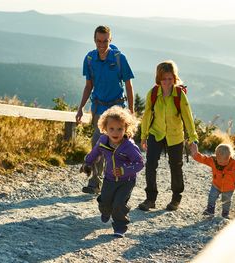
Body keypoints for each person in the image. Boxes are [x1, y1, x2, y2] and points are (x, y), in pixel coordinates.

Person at [76, 25, 135, 194]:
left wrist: (130, 110)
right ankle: (95, 182)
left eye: (105, 41)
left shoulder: (119, 58)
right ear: (94, 40)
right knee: (97, 144)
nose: (101, 44)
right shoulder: (89, 59)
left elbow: (129, 85)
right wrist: (80, 108)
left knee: (117, 146)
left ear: (111, 39)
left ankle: (119, 181)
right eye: (98, 41)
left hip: (117, 109)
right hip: (98, 108)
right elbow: (88, 86)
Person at [138, 60, 198, 212]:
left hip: (175, 135)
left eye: (170, 78)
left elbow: (188, 117)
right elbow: (146, 116)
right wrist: (143, 136)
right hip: (155, 133)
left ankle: (176, 198)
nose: (166, 82)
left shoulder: (179, 95)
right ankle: (150, 199)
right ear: (158, 79)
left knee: (176, 166)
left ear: (174, 78)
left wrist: (193, 139)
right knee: (151, 165)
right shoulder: (152, 94)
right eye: (163, 79)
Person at [80, 106, 144, 237]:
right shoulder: (103, 141)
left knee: (119, 204)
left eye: (120, 129)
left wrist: (124, 170)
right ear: (105, 128)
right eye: (111, 129)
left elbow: (140, 163)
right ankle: (105, 209)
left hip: (126, 181)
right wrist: (88, 163)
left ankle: (120, 227)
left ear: (126, 129)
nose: (115, 132)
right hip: (109, 179)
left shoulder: (129, 146)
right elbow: (95, 152)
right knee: (105, 201)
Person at [191, 143, 235, 219]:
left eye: (225, 162)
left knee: (226, 200)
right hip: (216, 185)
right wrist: (195, 154)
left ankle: (225, 213)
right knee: (212, 196)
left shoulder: (234, 163)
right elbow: (203, 159)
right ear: (216, 157)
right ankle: (210, 210)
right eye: (220, 162)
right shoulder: (212, 160)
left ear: (230, 157)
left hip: (228, 187)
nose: (222, 164)